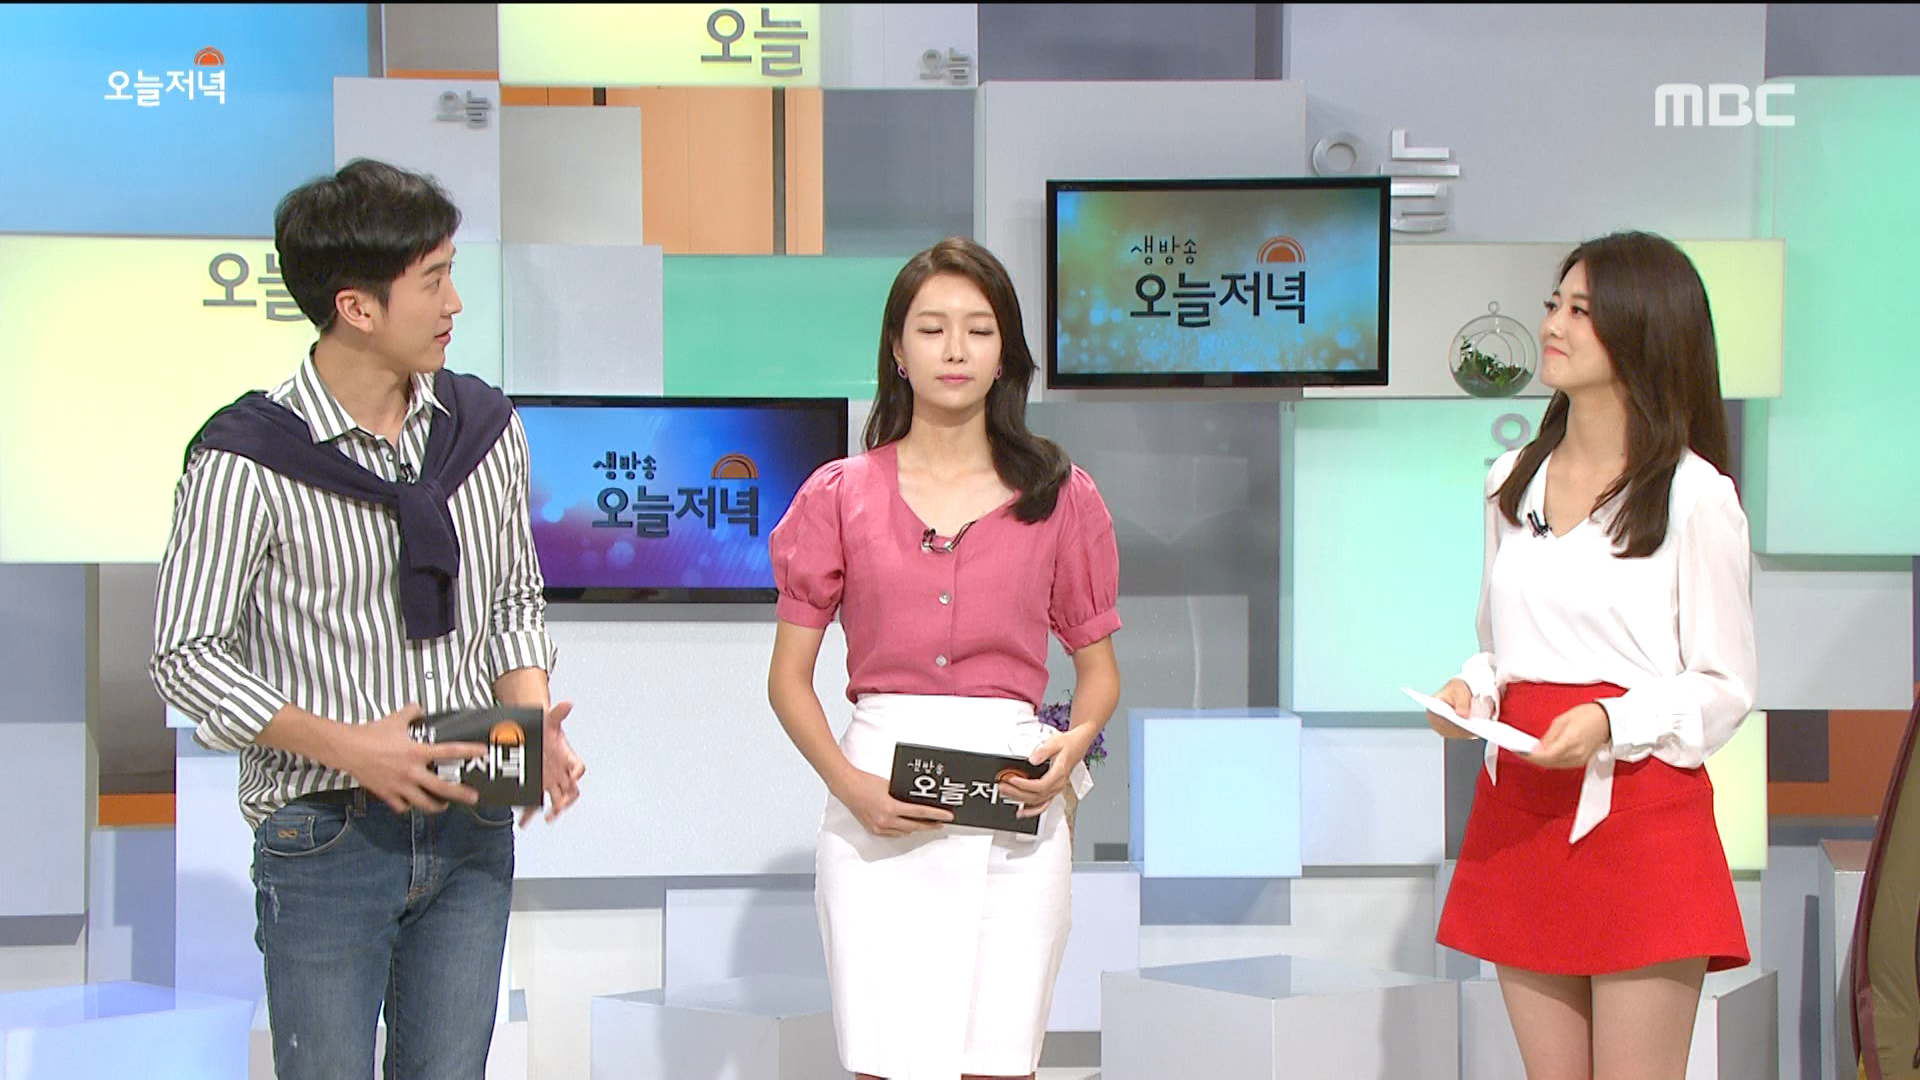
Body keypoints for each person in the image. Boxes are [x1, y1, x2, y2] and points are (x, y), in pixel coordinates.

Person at [150, 158, 586, 1080]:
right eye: (433, 280)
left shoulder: (483, 429)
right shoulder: (248, 458)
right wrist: (353, 748)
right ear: (355, 306)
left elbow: (511, 597)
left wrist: (532, 721)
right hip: (324, 831)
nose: (454, 302)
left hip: (473, 812)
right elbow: (186, 653)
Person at [766, 236, 1122, 1080]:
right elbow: (787, 682)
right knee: (887, 1062)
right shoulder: (839, 494)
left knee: (998, 1063)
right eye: (931, 329)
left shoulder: (1062, 496)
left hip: (1012, 809)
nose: (955, 349)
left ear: (1005, 354)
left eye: (979, 330)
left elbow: (1099, 673)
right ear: (898, 349)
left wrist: (1075, 744)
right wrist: (851, 789)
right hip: (877, 806)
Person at [1428, 230, 1758, 1079]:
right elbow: (1500, 648)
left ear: (1643, 332)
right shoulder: (1511, 479)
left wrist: (1612, 721)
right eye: (1555, 304)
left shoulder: (1694, 496)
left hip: (1641, 815)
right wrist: (1471, 693)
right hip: (1522, 809)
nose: (1553, 324)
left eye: (1582, 310)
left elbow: (1725, 686)